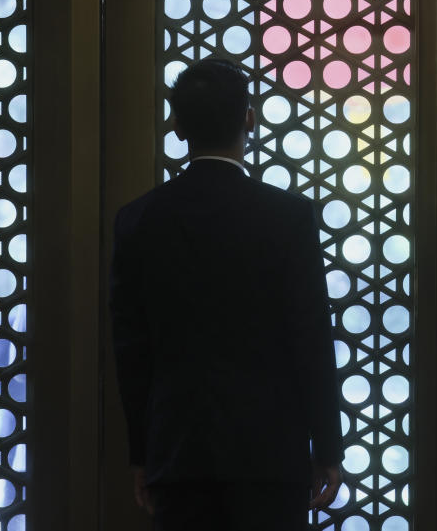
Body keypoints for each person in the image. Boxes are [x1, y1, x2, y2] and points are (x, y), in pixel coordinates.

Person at [109, 59, 344, 531]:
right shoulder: (288, 218)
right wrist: (328, 448)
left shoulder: (137, 220)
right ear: (249, 119)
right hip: (271, 455)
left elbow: (132, 352)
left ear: (177, 126)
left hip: (179, 454)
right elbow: (311, 338)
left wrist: (142, 455)